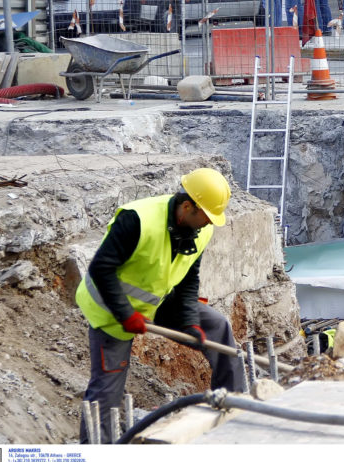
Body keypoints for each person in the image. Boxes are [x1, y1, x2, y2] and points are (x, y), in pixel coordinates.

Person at [76, 168, 243, 443]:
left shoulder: (200, 230)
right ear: (187, 206)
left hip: (157, 301)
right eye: (206, 217)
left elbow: (189, 278)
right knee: (107, 389)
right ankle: (97, 453)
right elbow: (101, 269)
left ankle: (234, 409)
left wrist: (189, 320)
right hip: (110, 309)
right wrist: (126, 314)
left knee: (217, 326)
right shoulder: (137, 220)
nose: (208, 224)